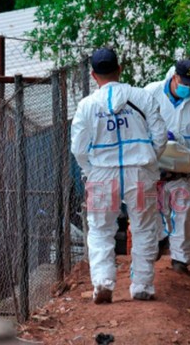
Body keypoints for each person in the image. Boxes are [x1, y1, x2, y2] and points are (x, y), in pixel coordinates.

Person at [71, 48, 167, 303]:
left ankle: (102, 282)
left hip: (103, 172)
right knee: (145, 228)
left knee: (101, 229)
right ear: (120, 69)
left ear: (93, 75)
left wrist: (91, 171)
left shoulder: (87, 105)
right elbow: (159, 135)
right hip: (140, 171)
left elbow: (78, 148)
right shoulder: (142, 97)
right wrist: (149, 160)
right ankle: (142, 286)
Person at [145, 60, 190, 273]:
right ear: (175, 77)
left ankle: (180, 259)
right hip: (155, 167)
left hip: (185, 167)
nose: (188, 87)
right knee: (153, 211)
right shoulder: (151, 93)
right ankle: (159, 242)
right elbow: (138, 123)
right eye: (185, 82)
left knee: (184, 214)